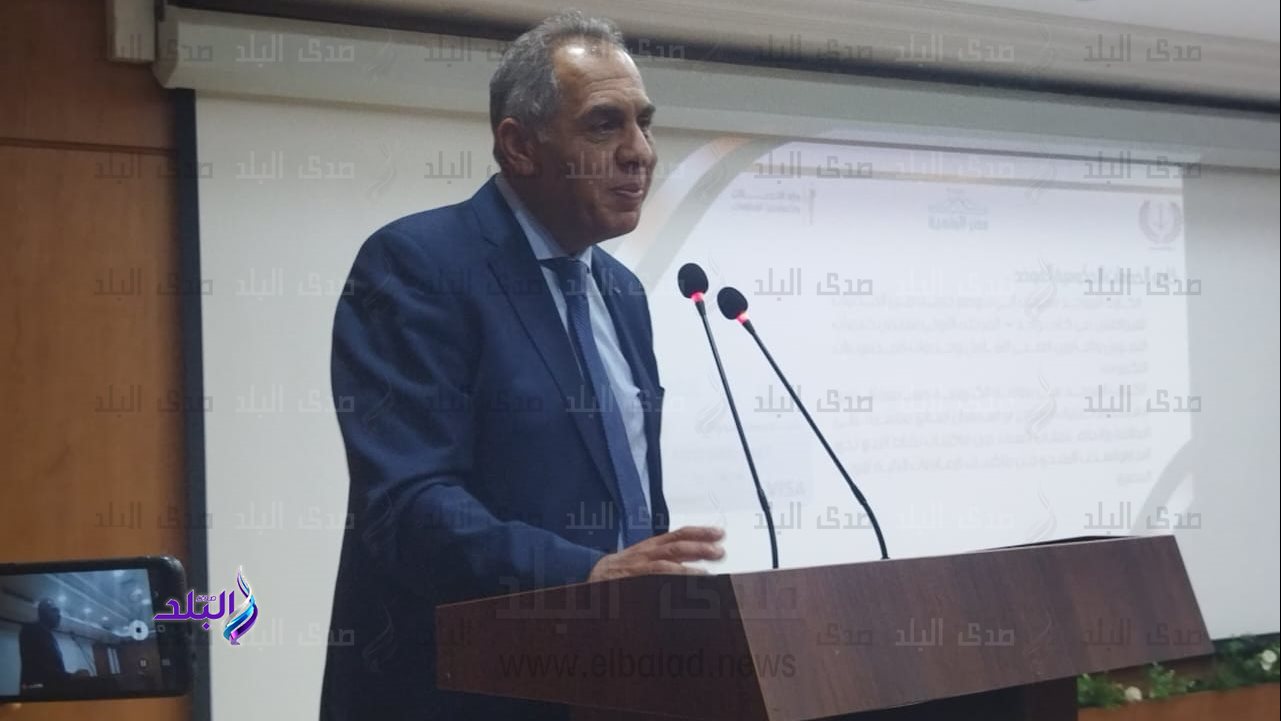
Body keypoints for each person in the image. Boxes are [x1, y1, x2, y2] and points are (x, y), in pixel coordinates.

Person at [319, 10, 725, 721]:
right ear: (519, 146)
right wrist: (583, 574)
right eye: (604, 124)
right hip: (460, 692)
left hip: (616, 684)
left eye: (644, 122)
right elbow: (409, 504)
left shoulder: (621, 292)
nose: (639, 152)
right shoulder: (419, 266)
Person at [18, 600, 68, 694]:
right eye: (55, 610)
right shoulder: (30, 630)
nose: (59, 615)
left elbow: (56, 668)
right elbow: (40, 667)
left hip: (52, 692)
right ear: (43, 611)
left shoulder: (50, 636)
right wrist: (71, 676)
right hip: (37, 693)